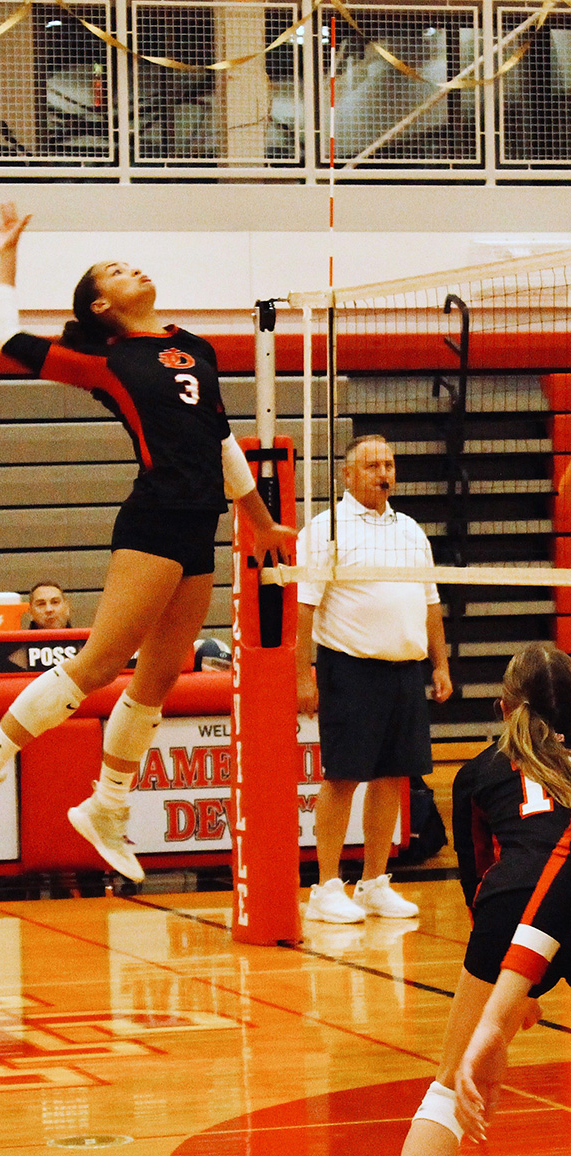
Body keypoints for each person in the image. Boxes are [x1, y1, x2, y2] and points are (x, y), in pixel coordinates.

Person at [0, 201, 295, 882]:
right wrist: (7, 256)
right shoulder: (104, 360)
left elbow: (219, 439)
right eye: (116, 271)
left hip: (200, 522)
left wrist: (257, 517)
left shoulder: (197, 347)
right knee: (101, 663)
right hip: (155, 517)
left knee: (161, 677)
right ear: (101, 304)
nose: (134, 269)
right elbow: (1, 335)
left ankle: (106, 806)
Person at [400, 642, 571, 1153]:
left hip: (510, 907)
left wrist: (508, 993)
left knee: (452, 1081)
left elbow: (479, 888)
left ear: (503, 706)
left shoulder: (477, 773)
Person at [296, 435, 452, 923]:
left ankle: (373, 882)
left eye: (388, 463)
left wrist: (440, 664)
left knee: (392, 777)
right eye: (370, 465)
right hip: (350, 668)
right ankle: (325, 886)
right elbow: (304, 606)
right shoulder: (327, 530)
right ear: (347, 475)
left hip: (405, 671)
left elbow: (430, 602)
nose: (383, 472)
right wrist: (303, 673)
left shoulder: (410, 530)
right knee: (342, 776)